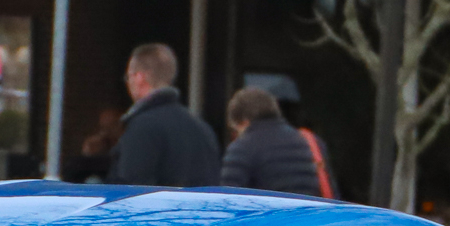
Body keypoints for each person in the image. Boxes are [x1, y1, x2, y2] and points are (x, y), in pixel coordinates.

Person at [108, 43, 219, 187]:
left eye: (128, 77)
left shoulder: (142, 128)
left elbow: (131, 191)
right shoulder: (204, 130)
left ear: (139, 78)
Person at [219, 86, 336, 197]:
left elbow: (229, 201)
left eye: (235, 130)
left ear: (244, 122)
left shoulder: (241, 148)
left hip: (271, 217)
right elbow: (331, 192)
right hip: (310, 216)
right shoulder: (311, 142)